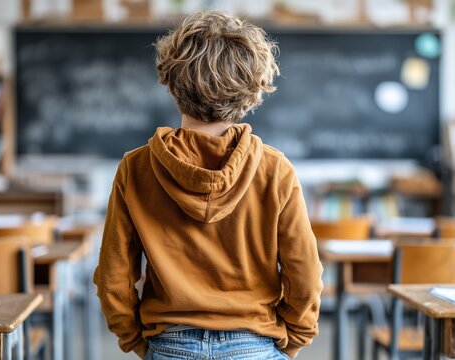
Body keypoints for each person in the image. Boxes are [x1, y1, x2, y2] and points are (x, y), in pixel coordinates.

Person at [93, 11, 323, 360]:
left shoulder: (136, 168)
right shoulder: (276, 170)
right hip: (255, 343)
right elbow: (304, 273)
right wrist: (292, 341)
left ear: (170, 82)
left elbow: (114, 276)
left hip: (169, 343)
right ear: (252, 90)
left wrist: (136, 341)